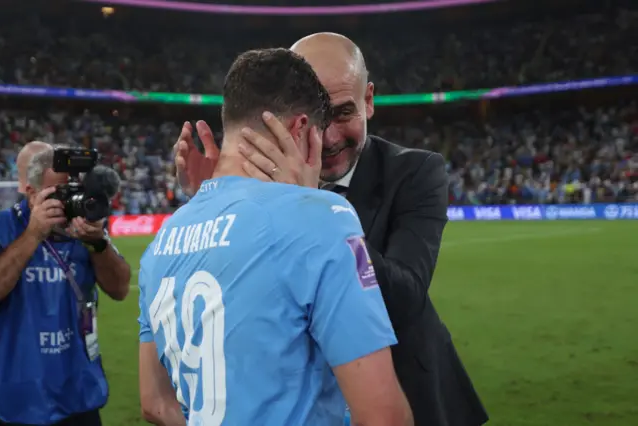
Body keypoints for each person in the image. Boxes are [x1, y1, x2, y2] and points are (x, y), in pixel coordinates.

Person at [174, 33, 489, 426]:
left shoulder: (415, 171)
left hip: (409, 396)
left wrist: (310, 206)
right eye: (315, 120)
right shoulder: (261, 187)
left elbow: (406, 296)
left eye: (342, 113)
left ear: (368, 100)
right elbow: (224, 293)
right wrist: (208, 200)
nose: (329, 138)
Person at [138, 48, 412, 426]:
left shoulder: (163, 238)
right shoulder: (320, 218)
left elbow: (154, 403)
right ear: (300, 129)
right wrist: (309, 200)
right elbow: (385, 418)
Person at [0, 145, 131, 426]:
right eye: (57, 194)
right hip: (19, 402)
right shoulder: (4, 227)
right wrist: (34, 233)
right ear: (31, 193)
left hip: (80, 394)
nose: (68, 201)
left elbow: (120, 288)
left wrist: (98, 244)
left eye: (72, 191)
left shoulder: (82, 228)